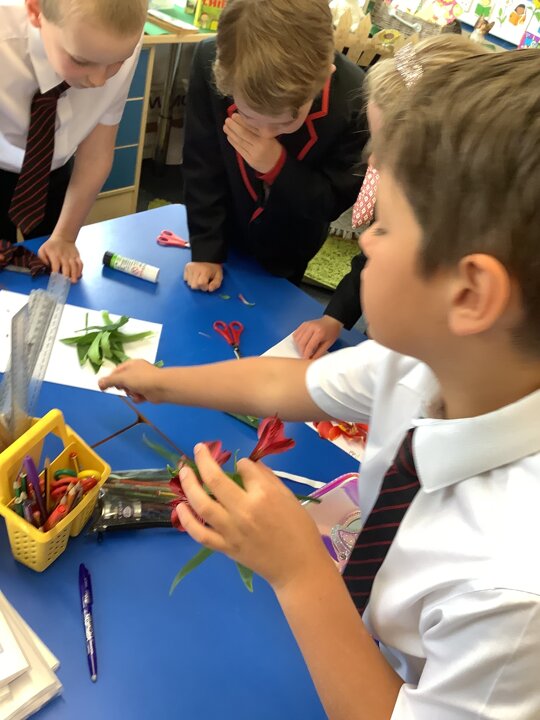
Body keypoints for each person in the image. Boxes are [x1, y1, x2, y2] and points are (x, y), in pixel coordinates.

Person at [100, 49, 540, 719]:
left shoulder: (511, 586)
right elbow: (291, 384)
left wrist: (299, 570)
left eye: (386, 224)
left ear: (471, 294)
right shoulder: (427, 362)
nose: (363, 242)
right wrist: (164, 383)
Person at [293, 34, 487, 359]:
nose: (374, 160)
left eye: (391, 149)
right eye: (375, 141)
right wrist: (335, 317)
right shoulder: (410, 189)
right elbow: (370, 257)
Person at [182, 0, 367, 291]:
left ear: (325, 76)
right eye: (249, 116)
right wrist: (206, 250)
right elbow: (202, 164)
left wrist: (278, 167)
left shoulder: (356, 100)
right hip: (223, 226)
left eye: (286, 121)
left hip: (291, 247)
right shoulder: (212, 60)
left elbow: (331, 202)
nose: (266, 134)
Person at [0, 0, 147, 282]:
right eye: (81, 60)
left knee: (53, 267)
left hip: (53, 170)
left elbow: (96, 153)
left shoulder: (120, 39)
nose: (99, 81)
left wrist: (65, 237)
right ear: (36, 12)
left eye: (117, 62)